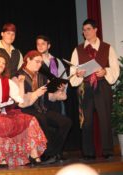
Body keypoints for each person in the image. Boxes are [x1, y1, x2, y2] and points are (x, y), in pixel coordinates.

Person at [0, 53, 47, 168]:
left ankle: (34, 155)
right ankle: (1, 158)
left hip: (5, 113)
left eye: (4, 63)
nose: (2, 64)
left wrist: (21, 84)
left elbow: (20, 100)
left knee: (30, 119)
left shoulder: (8, 82)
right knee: (0, 122)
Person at [69, 18, 120, 160]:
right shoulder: (78, 50)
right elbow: (72, 70)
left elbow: (115, 68)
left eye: (88, 29)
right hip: (85, 87)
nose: (85, 32)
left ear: (96, 30)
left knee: (105, 119)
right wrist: (77, 74)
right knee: (87, 120)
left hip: (102, 85)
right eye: (84, 30)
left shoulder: (107, 47)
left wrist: (105, 71)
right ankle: (88, 152)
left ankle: (107, 150)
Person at [15, 50, 72, 164]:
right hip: (26, 110)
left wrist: (58, 93)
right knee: (42, 119)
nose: (39, 65)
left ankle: (53, 152)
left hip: (41, 109)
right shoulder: (18, 76)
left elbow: (47, 97)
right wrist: (36, 93)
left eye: (41, 62)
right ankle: (49, 154)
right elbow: (20, 101)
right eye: (37, 61)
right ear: (28, 60)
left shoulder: (42, 77)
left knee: (66, 122)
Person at [36, 35, 68, 114]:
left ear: (48, 46)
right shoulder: (35, 61)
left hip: (57, 98)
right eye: (38, 44)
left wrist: (63, 88)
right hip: (41, 99)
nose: (40, 46)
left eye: (43, 44)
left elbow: (64, 78)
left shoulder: (56, 61)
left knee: (60, 122)